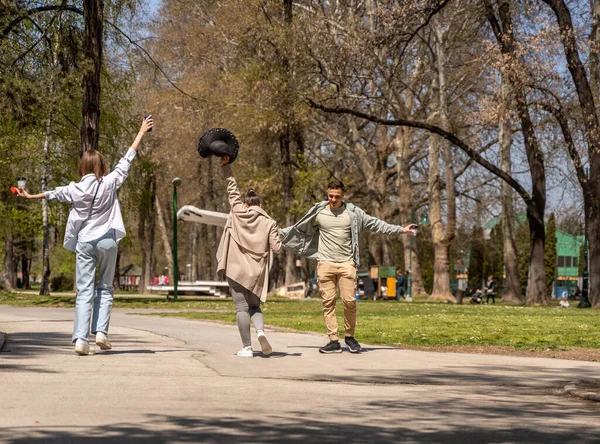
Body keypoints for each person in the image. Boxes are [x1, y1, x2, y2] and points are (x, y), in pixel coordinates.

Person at [17, 116, 153, 355]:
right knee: (105, 288)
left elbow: (52, 194)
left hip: (85, 242)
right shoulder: (110, 182)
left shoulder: (74, 188)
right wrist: (141, 131)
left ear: (82, 168)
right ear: (101, 167)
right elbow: (127, 159)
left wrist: (29, 196)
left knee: (84, 290)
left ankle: (81, 340)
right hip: (107, 240)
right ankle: (100, 332)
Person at [280, 179, 416, 354]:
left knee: (349, 302)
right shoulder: (319, 212)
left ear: (343, 195)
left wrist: (401, 229)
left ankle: (350, 337)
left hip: (347, 264)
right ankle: (333, 340)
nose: (333, 199)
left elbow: (376, 224)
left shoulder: (353, 213)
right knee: (328, 303)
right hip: (325, 264)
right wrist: (277, 233)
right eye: (330, 196)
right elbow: (298, 228)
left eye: (337, 196)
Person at [216, 155, 282, 358]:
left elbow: (232, 189)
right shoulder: (269, 222)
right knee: (254, 306)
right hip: (255, 273)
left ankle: (246, 348)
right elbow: (277, 248)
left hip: (236, 271)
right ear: (260, 204)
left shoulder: (237, 211)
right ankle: (261, 331)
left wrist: (227, 166)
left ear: (246, 203)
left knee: (241, 308)